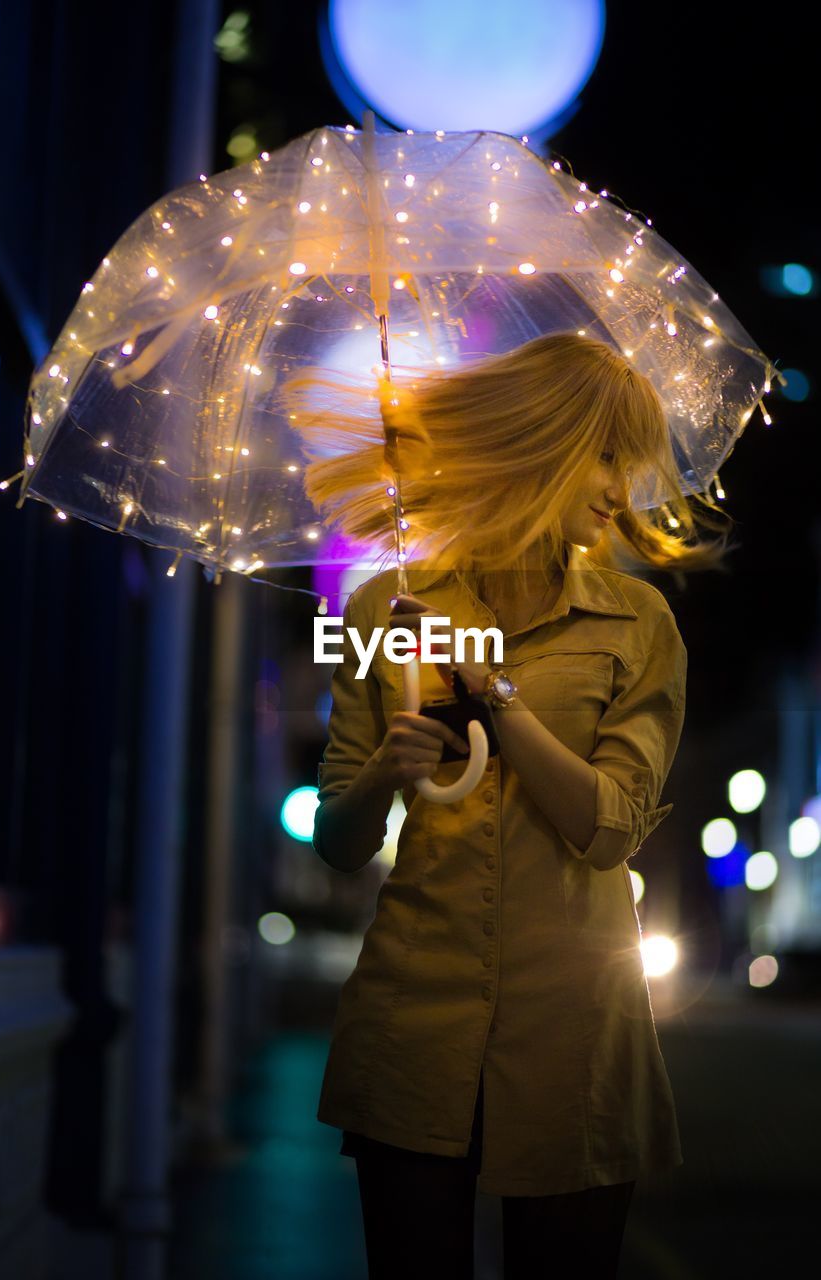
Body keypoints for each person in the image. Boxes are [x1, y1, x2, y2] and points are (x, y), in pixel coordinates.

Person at [305, 333, 732, 1280]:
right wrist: (382, 770)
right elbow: (337, 839)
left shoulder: (638, 623)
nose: (621, 489)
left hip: (576, 1030)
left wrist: (493, 694)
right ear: (540, 441)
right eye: (608, 455)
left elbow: (609, 826)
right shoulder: (381, 612)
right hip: (412, 1026)